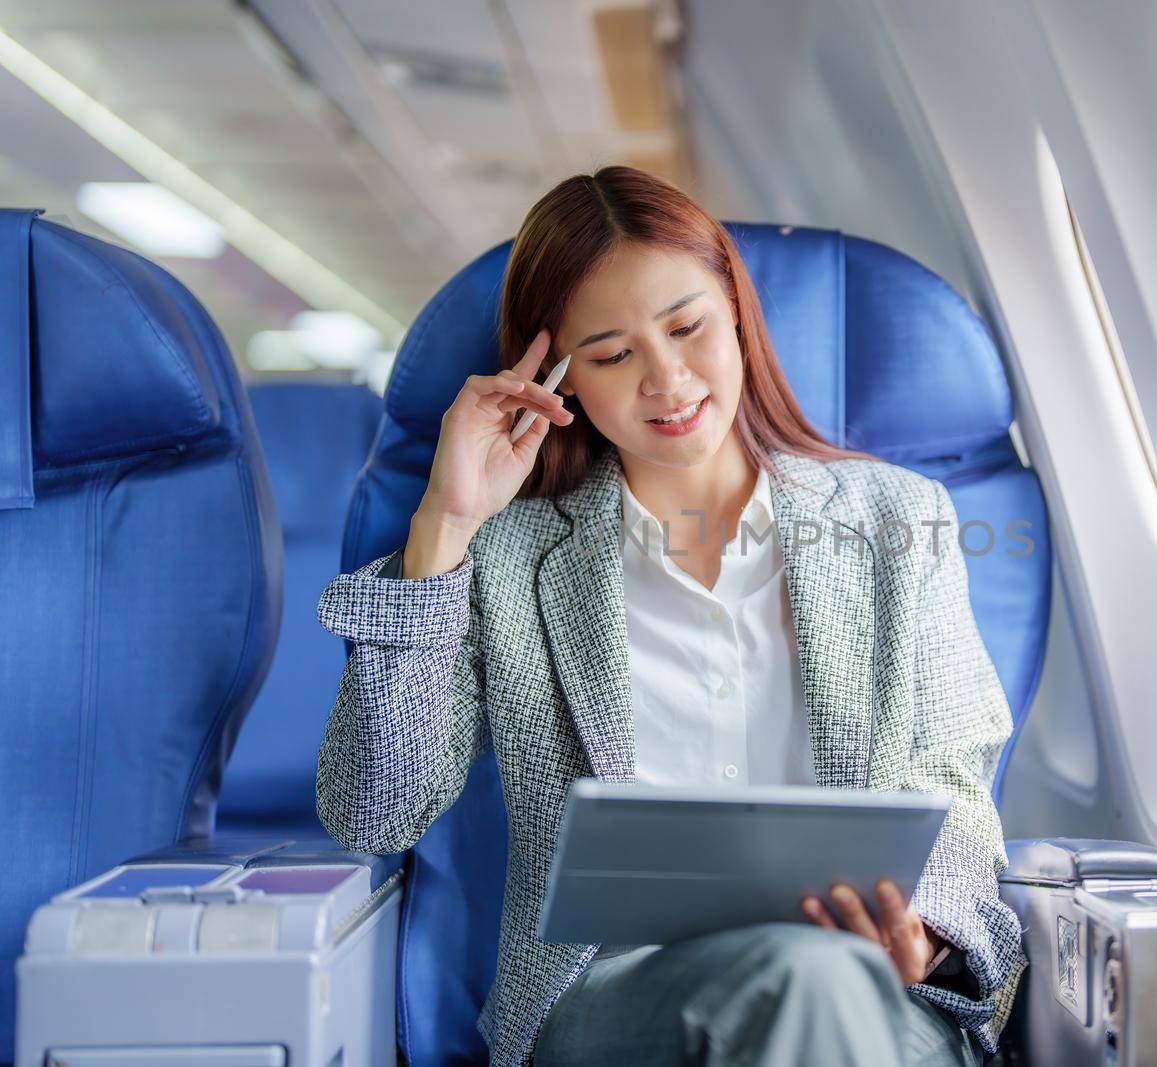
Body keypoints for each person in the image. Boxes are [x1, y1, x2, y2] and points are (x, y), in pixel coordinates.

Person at [313, 165, 1024, 1067]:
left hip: (875, 993)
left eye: (686, 327)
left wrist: (921, 932)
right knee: (796, 982)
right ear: (559, 380)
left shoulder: (897, 519)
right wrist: (445, 523)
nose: (667, 379)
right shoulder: (506, 558)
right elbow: (376, 811)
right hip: (619, 1002)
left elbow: (956, 790)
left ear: (735, 307)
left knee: (818, 982)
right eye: (613, 355)